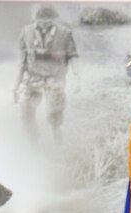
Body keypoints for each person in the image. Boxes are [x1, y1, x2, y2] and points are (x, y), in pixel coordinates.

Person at [13, 3, 79, 142]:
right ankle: (33, 141)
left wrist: (77, 78)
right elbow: (22, 62)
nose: (44, 21)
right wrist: (16, 85)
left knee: (54, 113)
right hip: (33, 79)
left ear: (53, 18)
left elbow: (72, 56)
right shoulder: (26, 32)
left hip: (55, 79)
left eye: (47, 17)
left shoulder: (65, 33)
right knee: (25, 110)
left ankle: (57, 134)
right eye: (40, 17)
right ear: (35, 18)